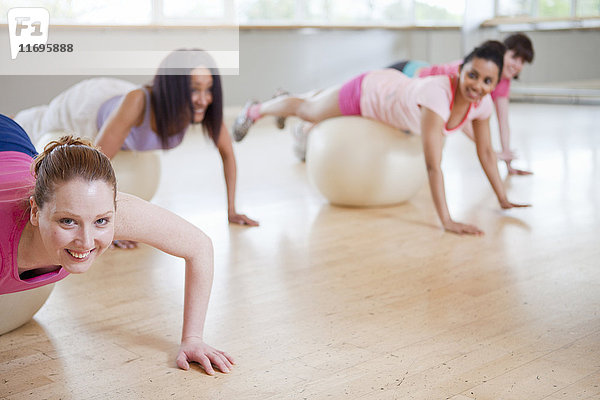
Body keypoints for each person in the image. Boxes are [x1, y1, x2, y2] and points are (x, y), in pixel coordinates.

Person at [0, 114, 234, 375]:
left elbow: (199, 246)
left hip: (14, 150)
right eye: (67, 221)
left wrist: (193, 338)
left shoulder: (101, 207)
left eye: (101, 221)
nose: (87, 242)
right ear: (35, 212)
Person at [232, 40, 530, 236]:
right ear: (461, 69)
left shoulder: (483, 104)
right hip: (370, 93)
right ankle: (254, 110)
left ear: (496, 84)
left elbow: (486, 153)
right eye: (472, 75)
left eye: (487, 81)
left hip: (394, 92)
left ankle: (283, 99)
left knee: (312, 102)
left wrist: (503, 199)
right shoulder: (437, 94)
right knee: (309, 110)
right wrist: (447, 221)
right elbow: (432, 165)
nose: (477, 85)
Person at [13, 49, 259, 231]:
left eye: (208, 89)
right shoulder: (137, 102)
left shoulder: (203, 111)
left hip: (118, 105)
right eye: (194, 89)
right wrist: (108, 226)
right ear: (174, 88)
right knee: (36, 122)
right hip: (85, 108)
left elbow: (227, 154)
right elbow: (96, 165)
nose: (203, 99)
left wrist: (231, 211)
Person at [389, 33, 535, 175]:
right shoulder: (470, 71)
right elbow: (462, 121)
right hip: (408, 73)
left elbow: (503, 122)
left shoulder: (503, 82)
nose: (517, 65)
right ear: (503, 53)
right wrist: (490, 152)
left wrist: (508, 163)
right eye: (514, 57)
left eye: (522, 62)